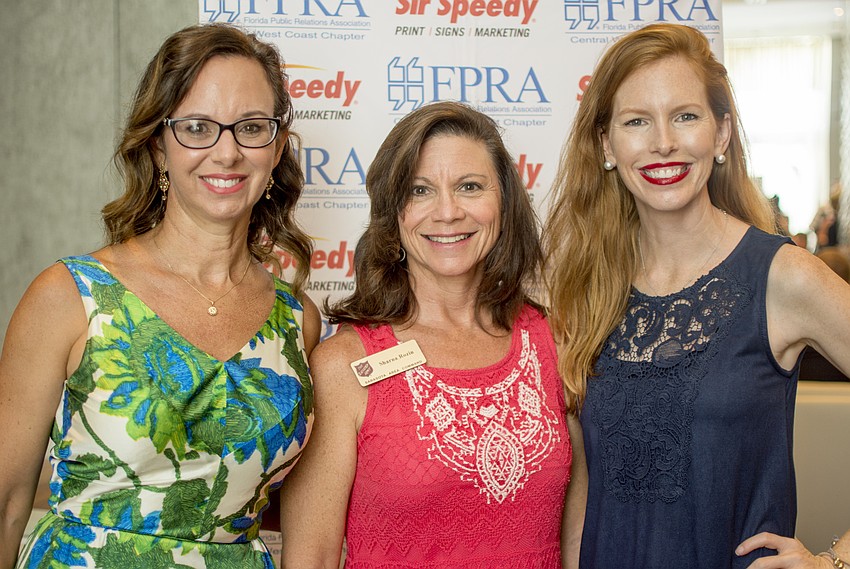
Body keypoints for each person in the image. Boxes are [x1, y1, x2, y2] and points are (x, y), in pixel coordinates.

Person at [0, 23, 319, 569]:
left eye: (251, 127)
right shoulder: (69, 296)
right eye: (197, 127)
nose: (227, 152)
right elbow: (6, 502)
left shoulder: (298, 322)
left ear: (277, 149)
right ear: (160, 147)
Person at [542, 23, 850, 569]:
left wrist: (836, 560)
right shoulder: (587, 287)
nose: (663, 141)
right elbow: (583, 488)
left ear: (722, 134)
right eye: (637, 121)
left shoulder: (782, 276)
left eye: (685, 116)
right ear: (606, 144)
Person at [279, 101, 577, 568]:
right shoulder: (343, 366)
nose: (447, 211)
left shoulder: (553, 343)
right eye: (420, 190)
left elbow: (578, 536)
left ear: (504, 203)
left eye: (470, 187)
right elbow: (310, 558)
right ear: (393, 214)